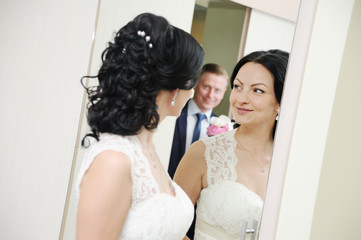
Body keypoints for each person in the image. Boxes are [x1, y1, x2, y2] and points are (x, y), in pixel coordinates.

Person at [75, 13, 204, 240]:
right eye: (194, 83)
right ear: (176, 90)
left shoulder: (147, 150)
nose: (193, 93)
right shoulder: (113, 160)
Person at [174, 49, 289, 240]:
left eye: (257, 90)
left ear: (280, 101)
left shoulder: (292, 164)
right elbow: (171, 228)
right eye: (237, 86)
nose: (241, 99)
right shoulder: (203, 153)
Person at [168, 63, 228, 179]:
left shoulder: (223, 128)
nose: (210, 95)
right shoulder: (173, 113)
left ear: (223, 93)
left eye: (217, 90)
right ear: (195, 85)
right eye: (206, 87)